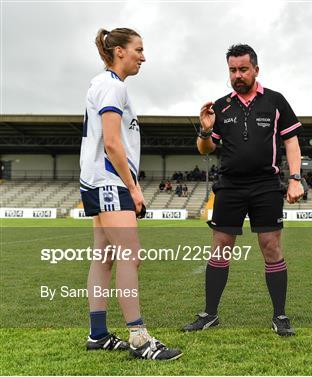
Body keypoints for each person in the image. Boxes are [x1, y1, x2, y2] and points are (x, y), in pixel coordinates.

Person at [184, 44, 304, 336]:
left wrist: (296, 177)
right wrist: (204, 129)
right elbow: (206, 150)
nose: (237, 75)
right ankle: (210, 313)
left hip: (266, 185)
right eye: (232, 70)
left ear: (256, 70)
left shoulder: (276, 101)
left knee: (271, 248)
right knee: (220, 248)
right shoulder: (221, 105)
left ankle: (280, 316)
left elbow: (291, 142)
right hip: (230, 186)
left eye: (243, 69)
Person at [80, 27, 180, 360]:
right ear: (119, 51)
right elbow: (111, 142)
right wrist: (134, 188)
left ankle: (98, 334)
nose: (143, 56)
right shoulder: (112, 86)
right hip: (110, 182)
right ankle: (139, 337)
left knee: (104, 256)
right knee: (129, 253)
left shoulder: (104, 84)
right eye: (138, 49)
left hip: (99, 180)